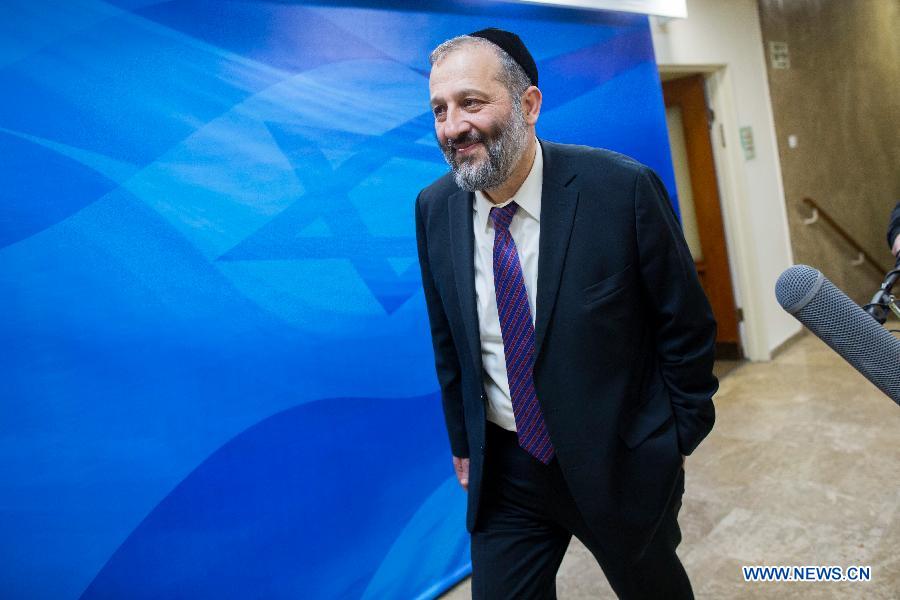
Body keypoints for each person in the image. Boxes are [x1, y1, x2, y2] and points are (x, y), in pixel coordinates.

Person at [414, 28, 718, 599]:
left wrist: (672, 439)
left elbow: (686, 325)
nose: (453, 127)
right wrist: (463, 440)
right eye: (440, 109)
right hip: (506, 471)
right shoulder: (434, 208)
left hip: (618, 463)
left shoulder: (621, 190)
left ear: (529, 105)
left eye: (471, 103)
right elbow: (449, 340)